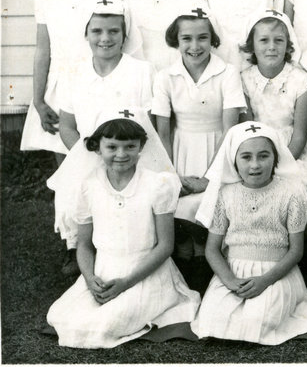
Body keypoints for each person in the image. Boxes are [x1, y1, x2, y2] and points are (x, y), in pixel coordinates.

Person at [46, 117, 199, 348]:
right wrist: (89, 278)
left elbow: (165, 246)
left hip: (146, 271)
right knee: (65, 317)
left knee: (105, 325)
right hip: (104, 270)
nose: (121, 154)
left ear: (141, 148)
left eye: (130, 146)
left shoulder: (157, 185)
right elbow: (84, 245)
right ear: (98, 148)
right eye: (112, 147)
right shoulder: (88, 186)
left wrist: (126, 283)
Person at [190, 122, 307, 344]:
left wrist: (264, 281)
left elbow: (296, 250)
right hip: (233, 272)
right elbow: (212, 249)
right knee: (212, 319)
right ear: (234, 160)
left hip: (276, 273)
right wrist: (230, 280)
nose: (255, 165)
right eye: (246, 157)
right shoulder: (225, 195)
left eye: (263, 156)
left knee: (256, 322)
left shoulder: (291, 193)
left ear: (276, 158)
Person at [48, 0, 155, 271]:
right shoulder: (73, 72)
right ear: (87, 34)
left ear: (124, 35)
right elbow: (68, 125)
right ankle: (78, 247)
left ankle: (131, 247)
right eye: (97, 31)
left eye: (113, 32)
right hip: (87, 152)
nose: (105, 39)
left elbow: (149, 122)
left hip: (130, 155)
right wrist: (90, 154)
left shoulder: (141, 71)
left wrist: (121, 155)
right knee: (77, 188)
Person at [22, 0, 121, 158]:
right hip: (60, 81)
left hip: (96, 79)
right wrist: (38, 100)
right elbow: (42, 51)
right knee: (64, 149)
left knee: (97, 145)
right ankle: (66, 194)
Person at [152, 8, 244, 255]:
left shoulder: (228, 73)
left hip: (218, 152)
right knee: (180, 217)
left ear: (212, 40)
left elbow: (230, 128)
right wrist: (172, 176)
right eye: (187, 39)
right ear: (176, 41)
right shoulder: (165, 77)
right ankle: (185, 264)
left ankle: (206, 267)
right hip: (181, 151)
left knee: (208, 218)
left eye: (203, 37)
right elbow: (163, 132)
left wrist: (209, 177)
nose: (195, 46)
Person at [239, 10, 307, 162]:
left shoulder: (302, 81)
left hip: (293, 152)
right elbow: (248, 131)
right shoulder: (244, 80)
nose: (272, 47)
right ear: (252, 45)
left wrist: (281, 166)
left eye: (279, 40)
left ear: (288, 45)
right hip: (257, 152)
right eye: (264, 40)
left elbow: (299, 136)